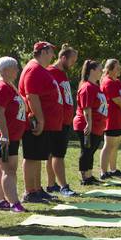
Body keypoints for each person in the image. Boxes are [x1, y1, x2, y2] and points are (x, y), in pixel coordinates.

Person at [19, 41, 64, 203]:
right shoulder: (34, 69)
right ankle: (30, 191)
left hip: (43, 121)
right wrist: (40, 119)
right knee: (32, 157)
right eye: (51, 51)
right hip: (35, 121)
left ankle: (37, 189)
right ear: (43, 52)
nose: (53, 55)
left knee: (37, 156)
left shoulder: (39, 69)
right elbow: (32, 96)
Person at [0, 57, 28, 212]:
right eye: (15, 68)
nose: (17, 71)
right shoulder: (1, 88)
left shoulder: (9, 86)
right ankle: (14, 202)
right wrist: (4, 135)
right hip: (5, 136)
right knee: (9, 169)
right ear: (5, 70)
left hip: (13, 135)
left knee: (2, 168)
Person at [46, 44, 78, 196]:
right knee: (58, 155)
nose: (73, 63)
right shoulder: (50, 72)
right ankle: (63, 186)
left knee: (53, 154)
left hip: (64, 120)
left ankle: (52, 185)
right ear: (63, 57)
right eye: (72, 60)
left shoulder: (63, 73)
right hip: (55, 120)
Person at [74, 60, 107, 184]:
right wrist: (89, 123)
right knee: (86, 150)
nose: (102, 71)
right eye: (100, 69)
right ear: (92, 71)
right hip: (86, 124)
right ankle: (85, 177)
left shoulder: (96, 86)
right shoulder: (87, 86)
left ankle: (89, 174)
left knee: (91, 150)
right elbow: (86, 108)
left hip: (97, 125)